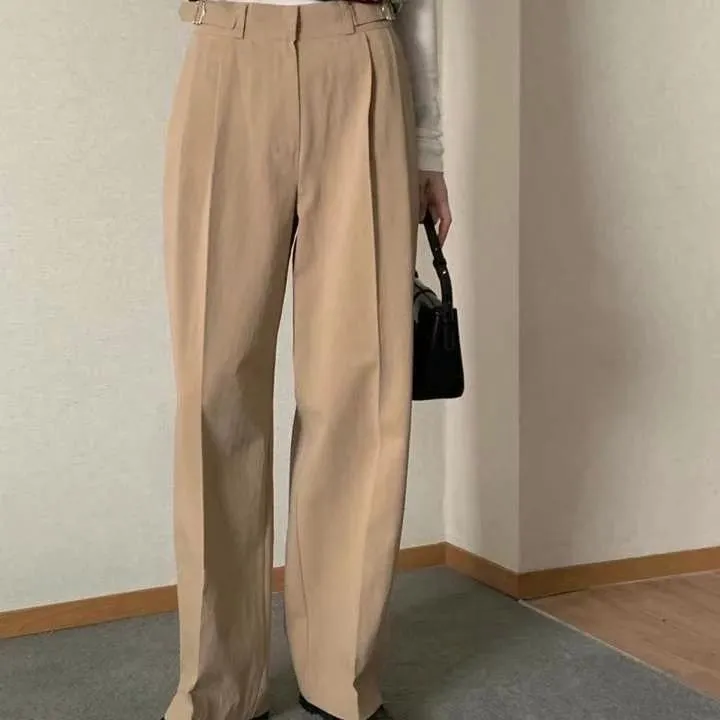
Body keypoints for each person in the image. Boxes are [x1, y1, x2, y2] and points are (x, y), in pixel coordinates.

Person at [162, 0, 451, 719]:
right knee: (213, 388)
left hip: (363, 56)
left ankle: (340, 678)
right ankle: (218, 688)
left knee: (358, 386)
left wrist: (428, 145)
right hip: (228, 53)